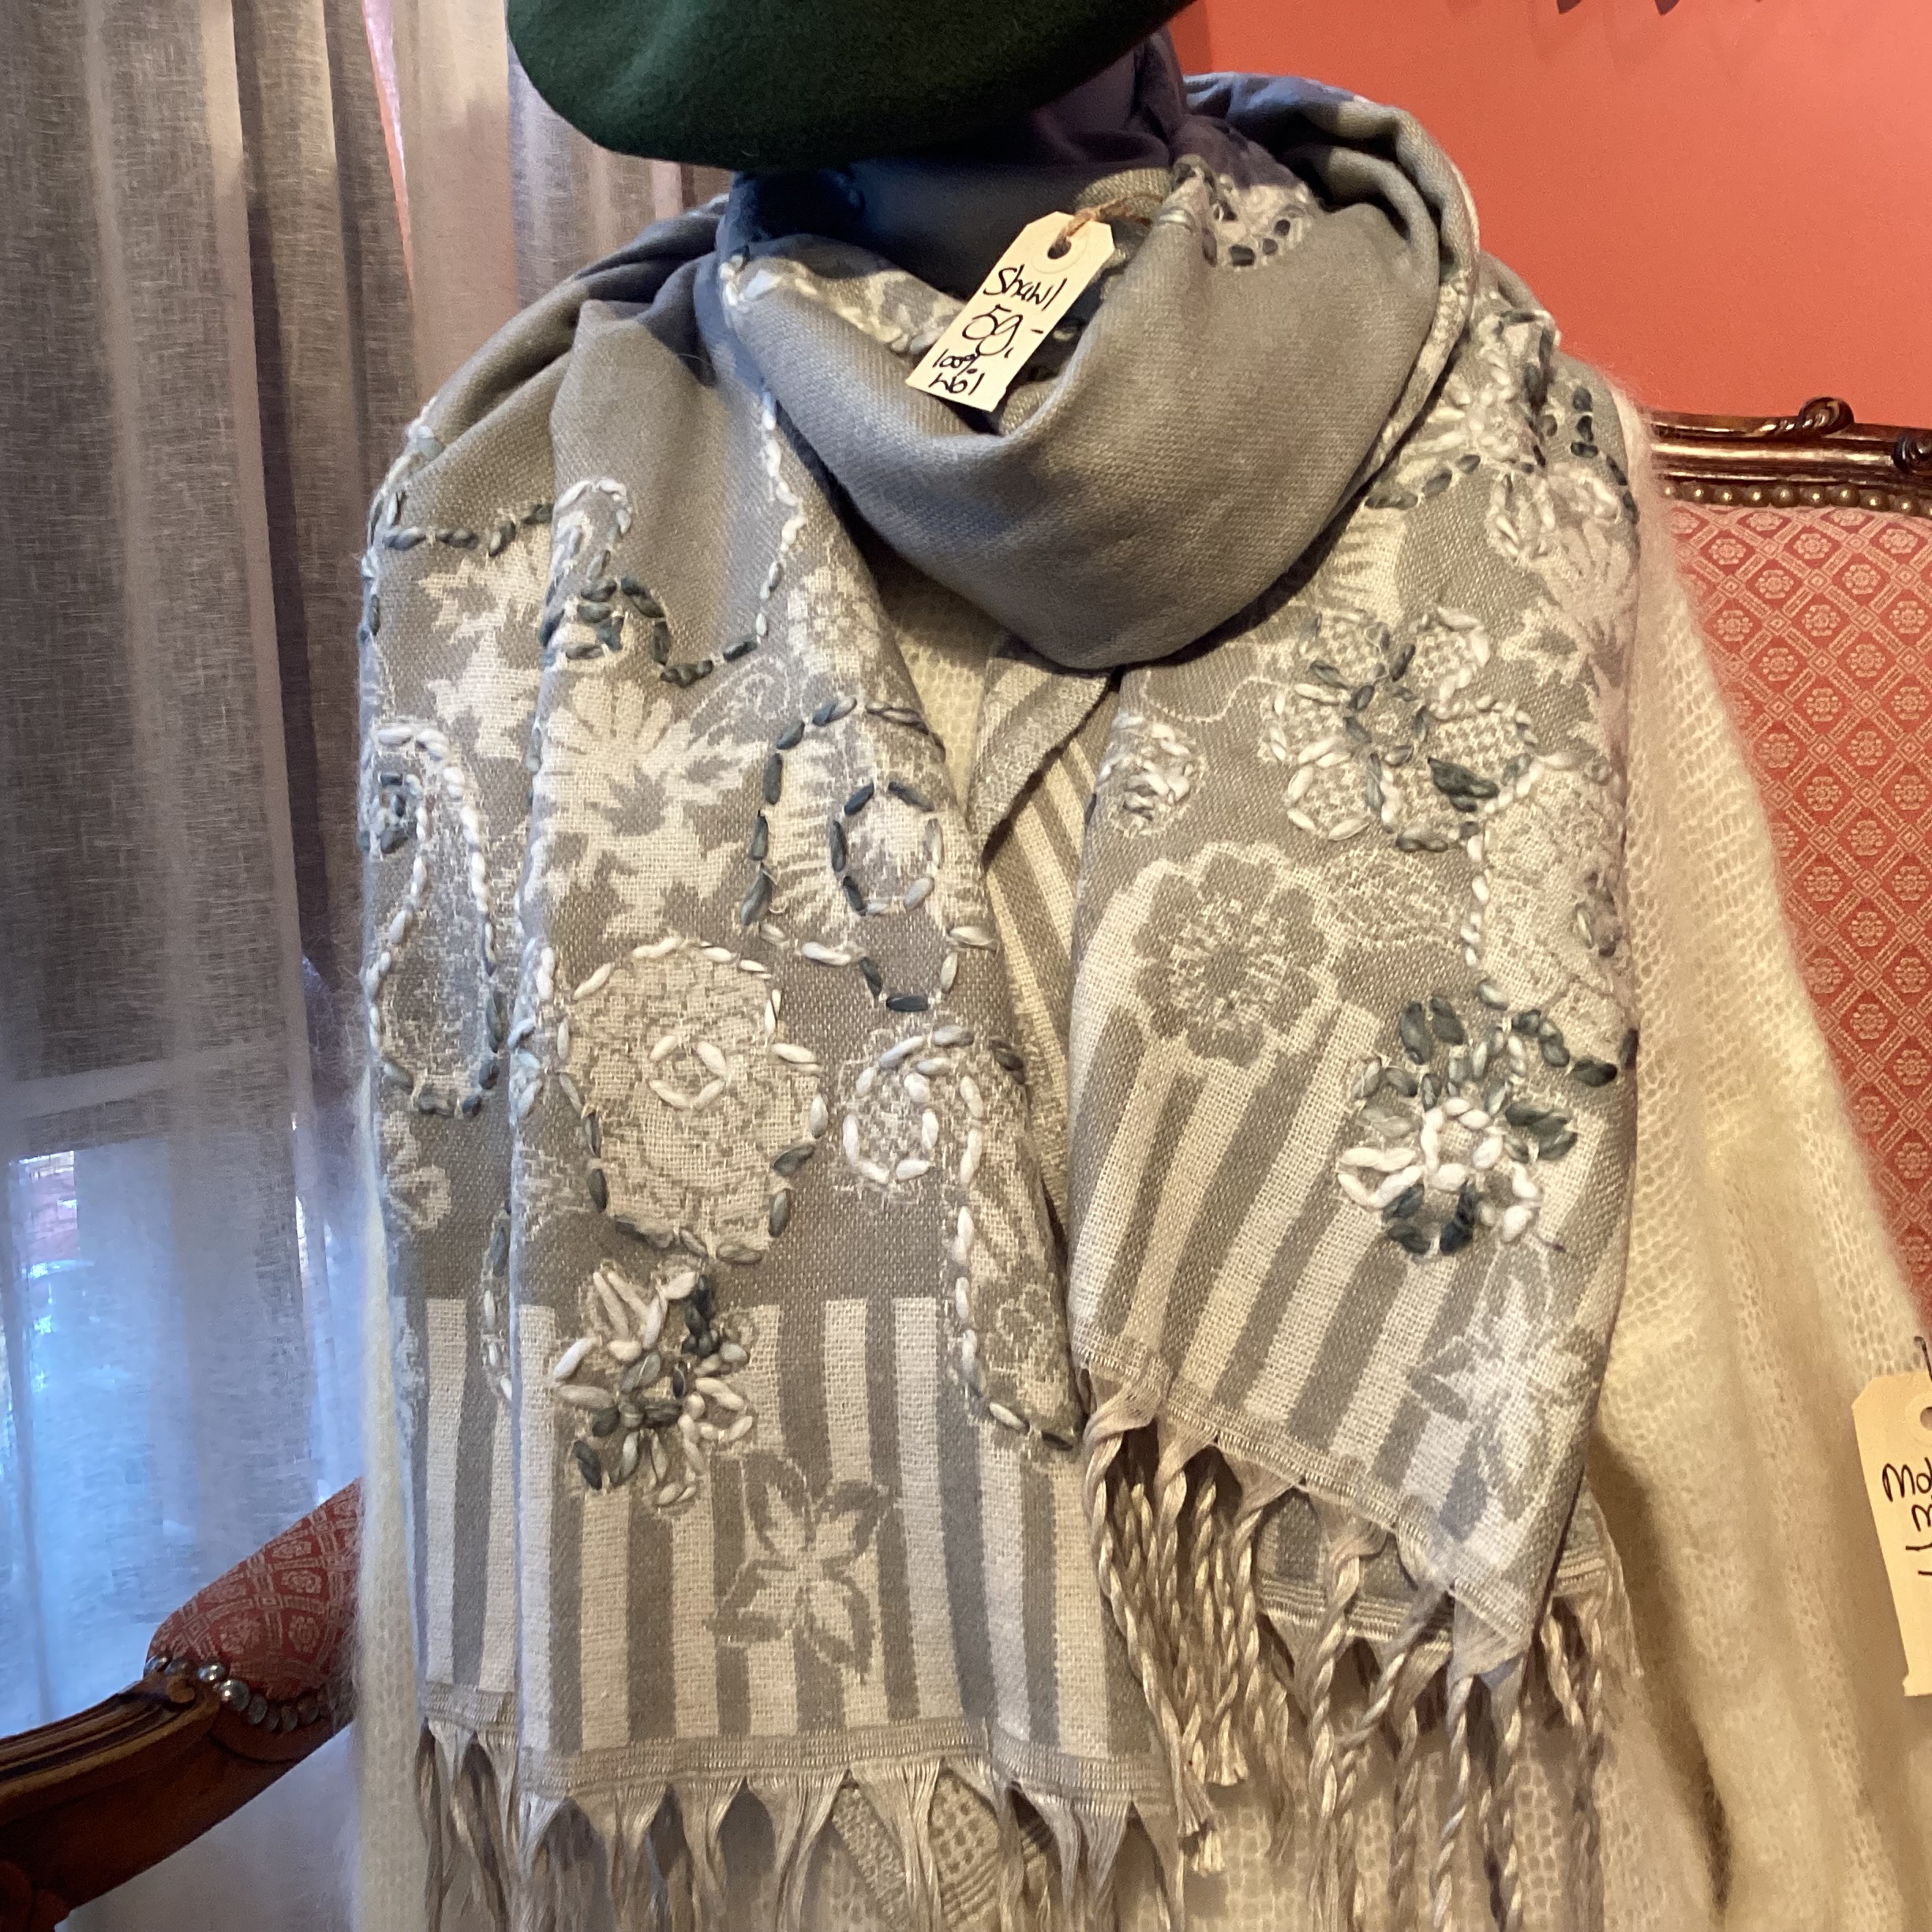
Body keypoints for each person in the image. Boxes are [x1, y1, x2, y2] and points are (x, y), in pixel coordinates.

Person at [356, 9, 1930, 1926]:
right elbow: (472, 1335)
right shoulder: (519, 540)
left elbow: (1713, 1236)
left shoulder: (1500, 461)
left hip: (1398, 1798)